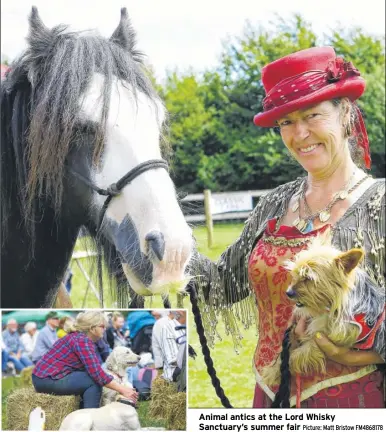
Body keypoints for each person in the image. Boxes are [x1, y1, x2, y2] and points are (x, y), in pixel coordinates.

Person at [193, 46, 385, 408]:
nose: (299, 134)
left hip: (356, 402)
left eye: (312, 115)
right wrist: (171, 243)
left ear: (345, 113)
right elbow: (222, 284)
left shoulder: (381, 204)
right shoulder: (275, 202)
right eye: (286, 123)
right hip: (270, 398)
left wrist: (362, 356)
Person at [32, 311, 138, 409]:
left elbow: (95, 370)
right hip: (46, 379)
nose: (105, 329)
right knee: (93, 381)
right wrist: (122, 389)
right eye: (102, 326)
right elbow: (97, 374)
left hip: (44, 377)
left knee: (90, 378)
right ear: (92, 328)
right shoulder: (82, 341)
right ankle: (90, 419)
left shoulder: (79, 338)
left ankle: (83, 413)